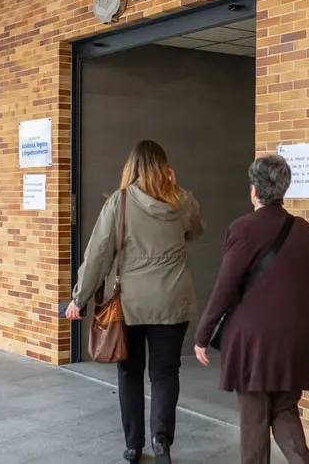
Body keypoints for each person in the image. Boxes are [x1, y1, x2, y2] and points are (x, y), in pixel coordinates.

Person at [65, 140, 205, 464]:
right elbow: (196, 230)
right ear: (163, 167)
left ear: (132, 168)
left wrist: (79, 298)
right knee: (165, 373)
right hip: (172, 302)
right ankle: (161, 439)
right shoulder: (183, 200)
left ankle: (133, 445)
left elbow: (98, 254)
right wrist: (175, 185)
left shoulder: (120, 201)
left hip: (130, 304)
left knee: (130, 372)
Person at [194, 154, 309, 464]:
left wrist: (202, 335)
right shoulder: (303, 229)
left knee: (254, 419)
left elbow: (225, 287)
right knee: (284, 408)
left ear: (254, 190)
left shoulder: (243, 228)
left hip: (255, 340)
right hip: (297, 337)